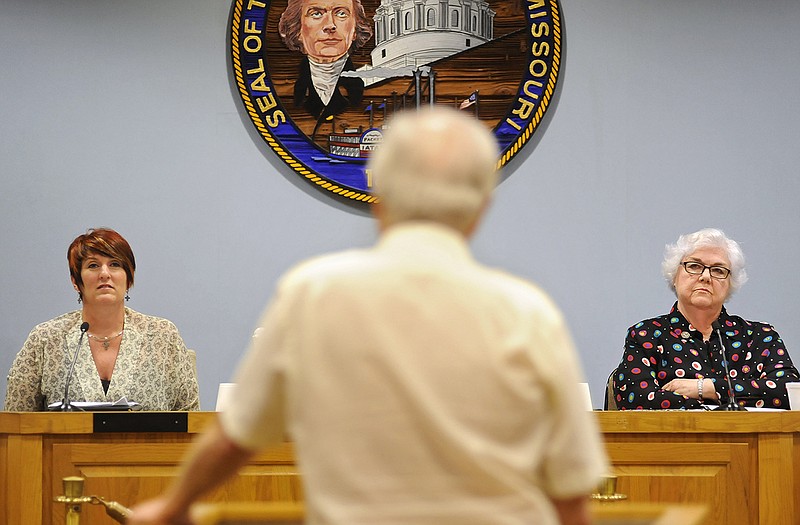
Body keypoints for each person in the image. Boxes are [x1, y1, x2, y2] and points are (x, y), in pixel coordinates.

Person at [127, 107, 607, 525]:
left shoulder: (312, 294)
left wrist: (172, 506)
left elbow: (235, 439)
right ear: (481, 208)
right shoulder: (529, 313)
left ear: (379, 198)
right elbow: (570, 497)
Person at [3, 228, 200, 412]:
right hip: (68, 450)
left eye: (115, 264)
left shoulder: (162, 336)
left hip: (147, 450)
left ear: (129, 278)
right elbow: (16, 424)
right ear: (75, 281)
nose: (104, 274)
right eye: (93, 265)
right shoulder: (45, 339)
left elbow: (192, 421)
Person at [612, 228, 800, 410]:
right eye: (694, 266)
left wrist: (707, 388)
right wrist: (722, 403)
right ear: (675, 276)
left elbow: (791, 392)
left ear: (730, 283)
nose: (705, 276)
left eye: (718, 270)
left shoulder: (760, 337)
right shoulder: (647, 334)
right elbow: (635, 398)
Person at [279, 0, 372, 122]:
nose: (330, 25)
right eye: (316, 13)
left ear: (355, 29)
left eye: (341, 13)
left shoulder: (366, 88)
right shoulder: (289, 88)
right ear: (297, 30)